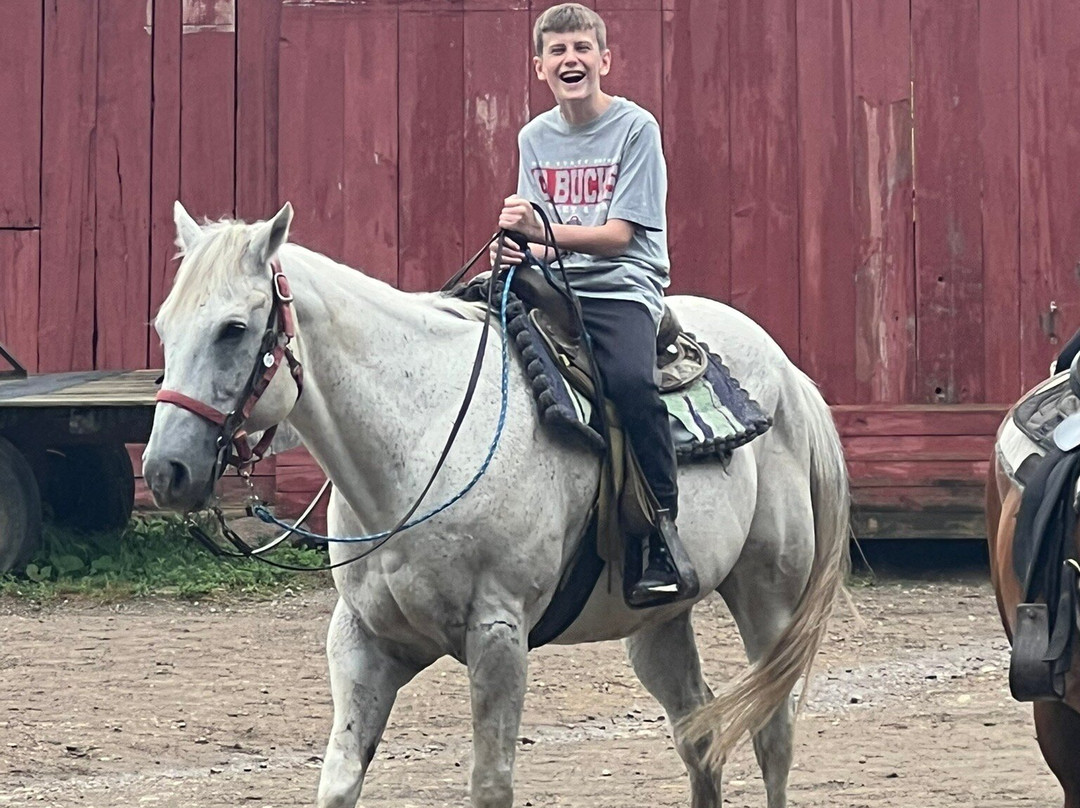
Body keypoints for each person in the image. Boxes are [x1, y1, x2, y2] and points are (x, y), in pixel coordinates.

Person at [490, 2, 696, 606]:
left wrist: (538, 234)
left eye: (581, 48)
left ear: (604, 60)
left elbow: (618, 236)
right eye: (557, 51)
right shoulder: (534, 137)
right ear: (539, 67)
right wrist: (515, 249)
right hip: (555, 280)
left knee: (631, 384)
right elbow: (536, 230)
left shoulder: (636, 128)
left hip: (618, 285)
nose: (570, 59)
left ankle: (660, 530)